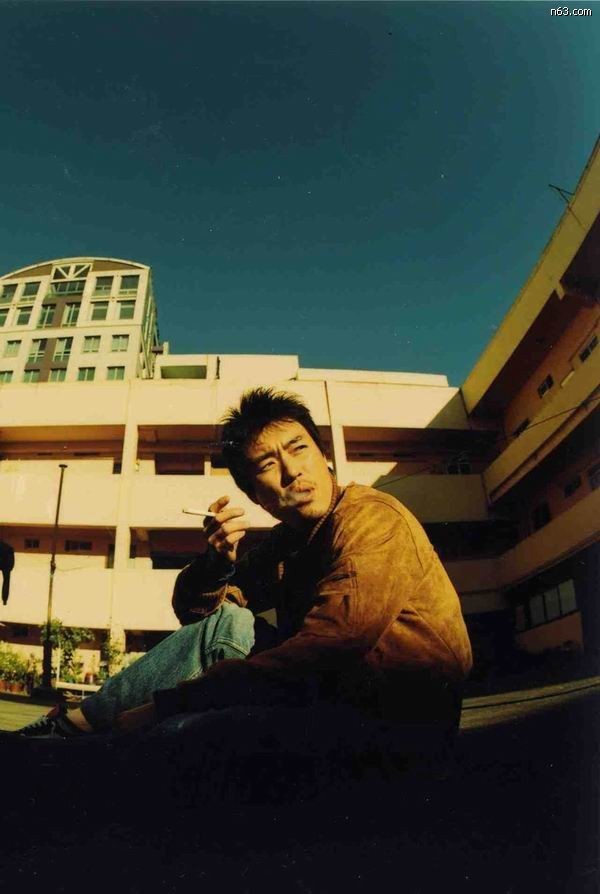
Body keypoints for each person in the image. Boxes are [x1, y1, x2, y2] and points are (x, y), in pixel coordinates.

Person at [16, 387, 472, 790]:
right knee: (225, 632)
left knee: (176, 736)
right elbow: (201, 619)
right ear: (256, 495)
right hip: (334, 706)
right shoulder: (288, 543)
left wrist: (165, 705)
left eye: (299, 448)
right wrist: (216, 563)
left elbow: (333, 644)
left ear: (323, 455)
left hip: (400, 725)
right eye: (268, 464)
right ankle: (72, 734)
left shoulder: (371, 518)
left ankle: (69, 753)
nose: (292, 471)